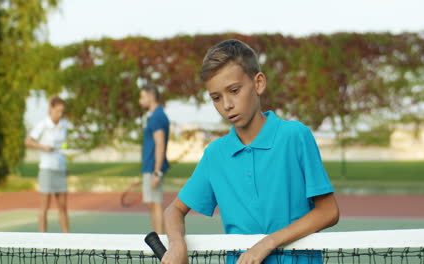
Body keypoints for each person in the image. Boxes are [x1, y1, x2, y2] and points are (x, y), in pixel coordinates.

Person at [163, 40, 339, 264]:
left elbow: (329, 211)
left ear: (258, 83)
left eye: (234, 91)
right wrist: (177, 243)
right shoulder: (215, 154)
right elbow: (174, 210)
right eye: (216, 98)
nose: (226, 105)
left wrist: (267, 243)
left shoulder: (295, 136)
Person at [25, 95, 69, 233]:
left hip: (60, 168)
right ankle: (42, 239)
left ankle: (67, 238)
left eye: (62, 111)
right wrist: (43, 147)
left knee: (63, 206)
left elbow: (63, 146)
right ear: (51, 109)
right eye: (57, 111)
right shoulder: (42, 125)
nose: (60, 114)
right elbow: (28, 141)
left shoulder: (64, 125)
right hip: (47, 169)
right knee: (45, 207)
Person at [138, 83, 170, 234]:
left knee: (155, 204)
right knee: (151, 203)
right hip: (149, 167)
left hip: (153, 168)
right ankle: (158, 238)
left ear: (151, 97)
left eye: (142, 96)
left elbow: (160, 143)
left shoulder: (157, 117)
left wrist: (157, 172)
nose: (140, 100)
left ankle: (161, 240)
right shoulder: (155, 116)